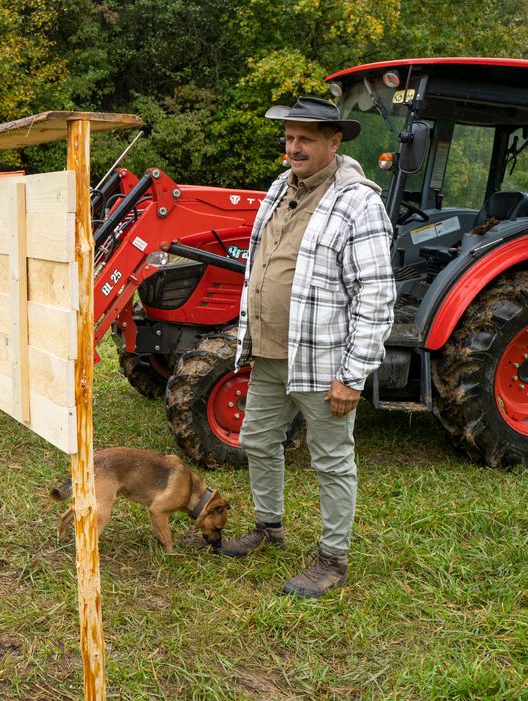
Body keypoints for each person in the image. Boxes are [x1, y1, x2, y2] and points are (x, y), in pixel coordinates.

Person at [216, 96, 396, 599]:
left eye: (306, 139)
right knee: (257, 440)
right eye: (290, 138)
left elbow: (376, 294)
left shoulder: (358, 201)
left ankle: (333, 559)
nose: (294, 147)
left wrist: (353, 375)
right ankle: (269, 528)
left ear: (334, 142)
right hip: (271, 353)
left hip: (322, 363)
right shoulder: (281, 187)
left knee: (331, 459)